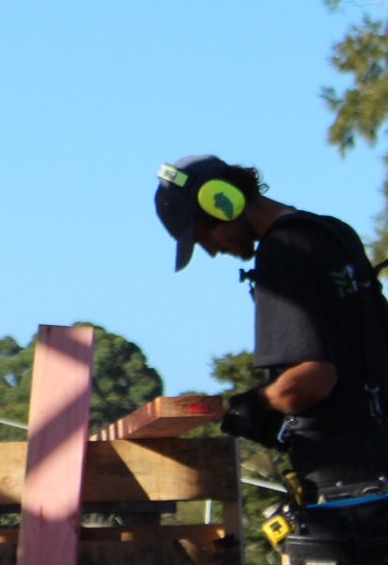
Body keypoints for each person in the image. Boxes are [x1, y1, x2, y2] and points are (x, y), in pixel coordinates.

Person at [156, 155, 388, 559]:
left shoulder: (282, 252)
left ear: (221, 201)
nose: (211, 250)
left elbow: (314, 377)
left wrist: (258, 405)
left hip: (348, 503)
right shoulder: (333, 233)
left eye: (203, 234)